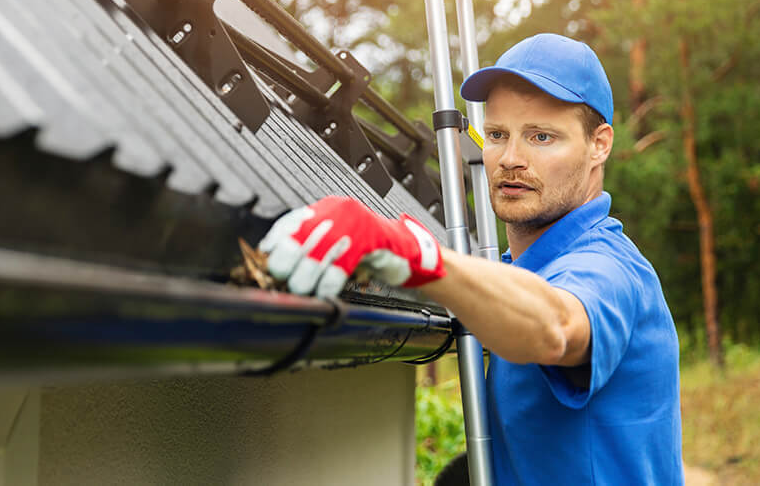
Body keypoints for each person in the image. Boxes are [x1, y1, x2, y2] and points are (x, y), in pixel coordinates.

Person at [259, 34, 683, 485]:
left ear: (599, 145)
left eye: (541, 136)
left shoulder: (608, 267)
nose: (511, 159)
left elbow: (556, 326)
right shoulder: (516, 272)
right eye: (498, 135)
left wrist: (418, 255)